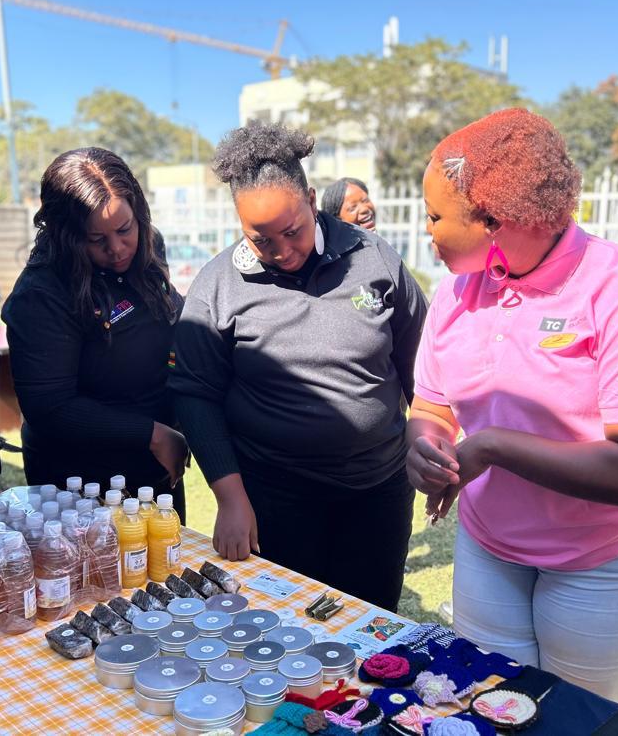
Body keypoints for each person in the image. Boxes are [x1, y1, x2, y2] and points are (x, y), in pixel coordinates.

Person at [407, 108, 618, 702]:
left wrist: (492, 447)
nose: (427, 232)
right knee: (487, 699)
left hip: (601, 554)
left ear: (495, 221)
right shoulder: (456, 293)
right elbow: (431, 407)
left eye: (436, 216)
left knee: (571, 714)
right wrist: (426, 445)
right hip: (490, 542)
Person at [169, 122, 427, 611]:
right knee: (287, 630)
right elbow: (194, 393)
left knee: (370, 625)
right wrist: (230, 497)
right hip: (274, 496)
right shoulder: (218, 285)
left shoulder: (374, 259)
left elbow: (422, 365)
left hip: (377, 493)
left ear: (311, 200)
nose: (281, 252)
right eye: (260, 239)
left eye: (292, 232)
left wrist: (427, 441)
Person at [2, 148, 188, 515]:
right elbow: (49, 407)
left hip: (157, 461)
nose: (117, 249)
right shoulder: (42, 294)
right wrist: (151, 434)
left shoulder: (148, 248)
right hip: (80, 480)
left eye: (125, 229)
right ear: (66, 235)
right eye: (95, 239)